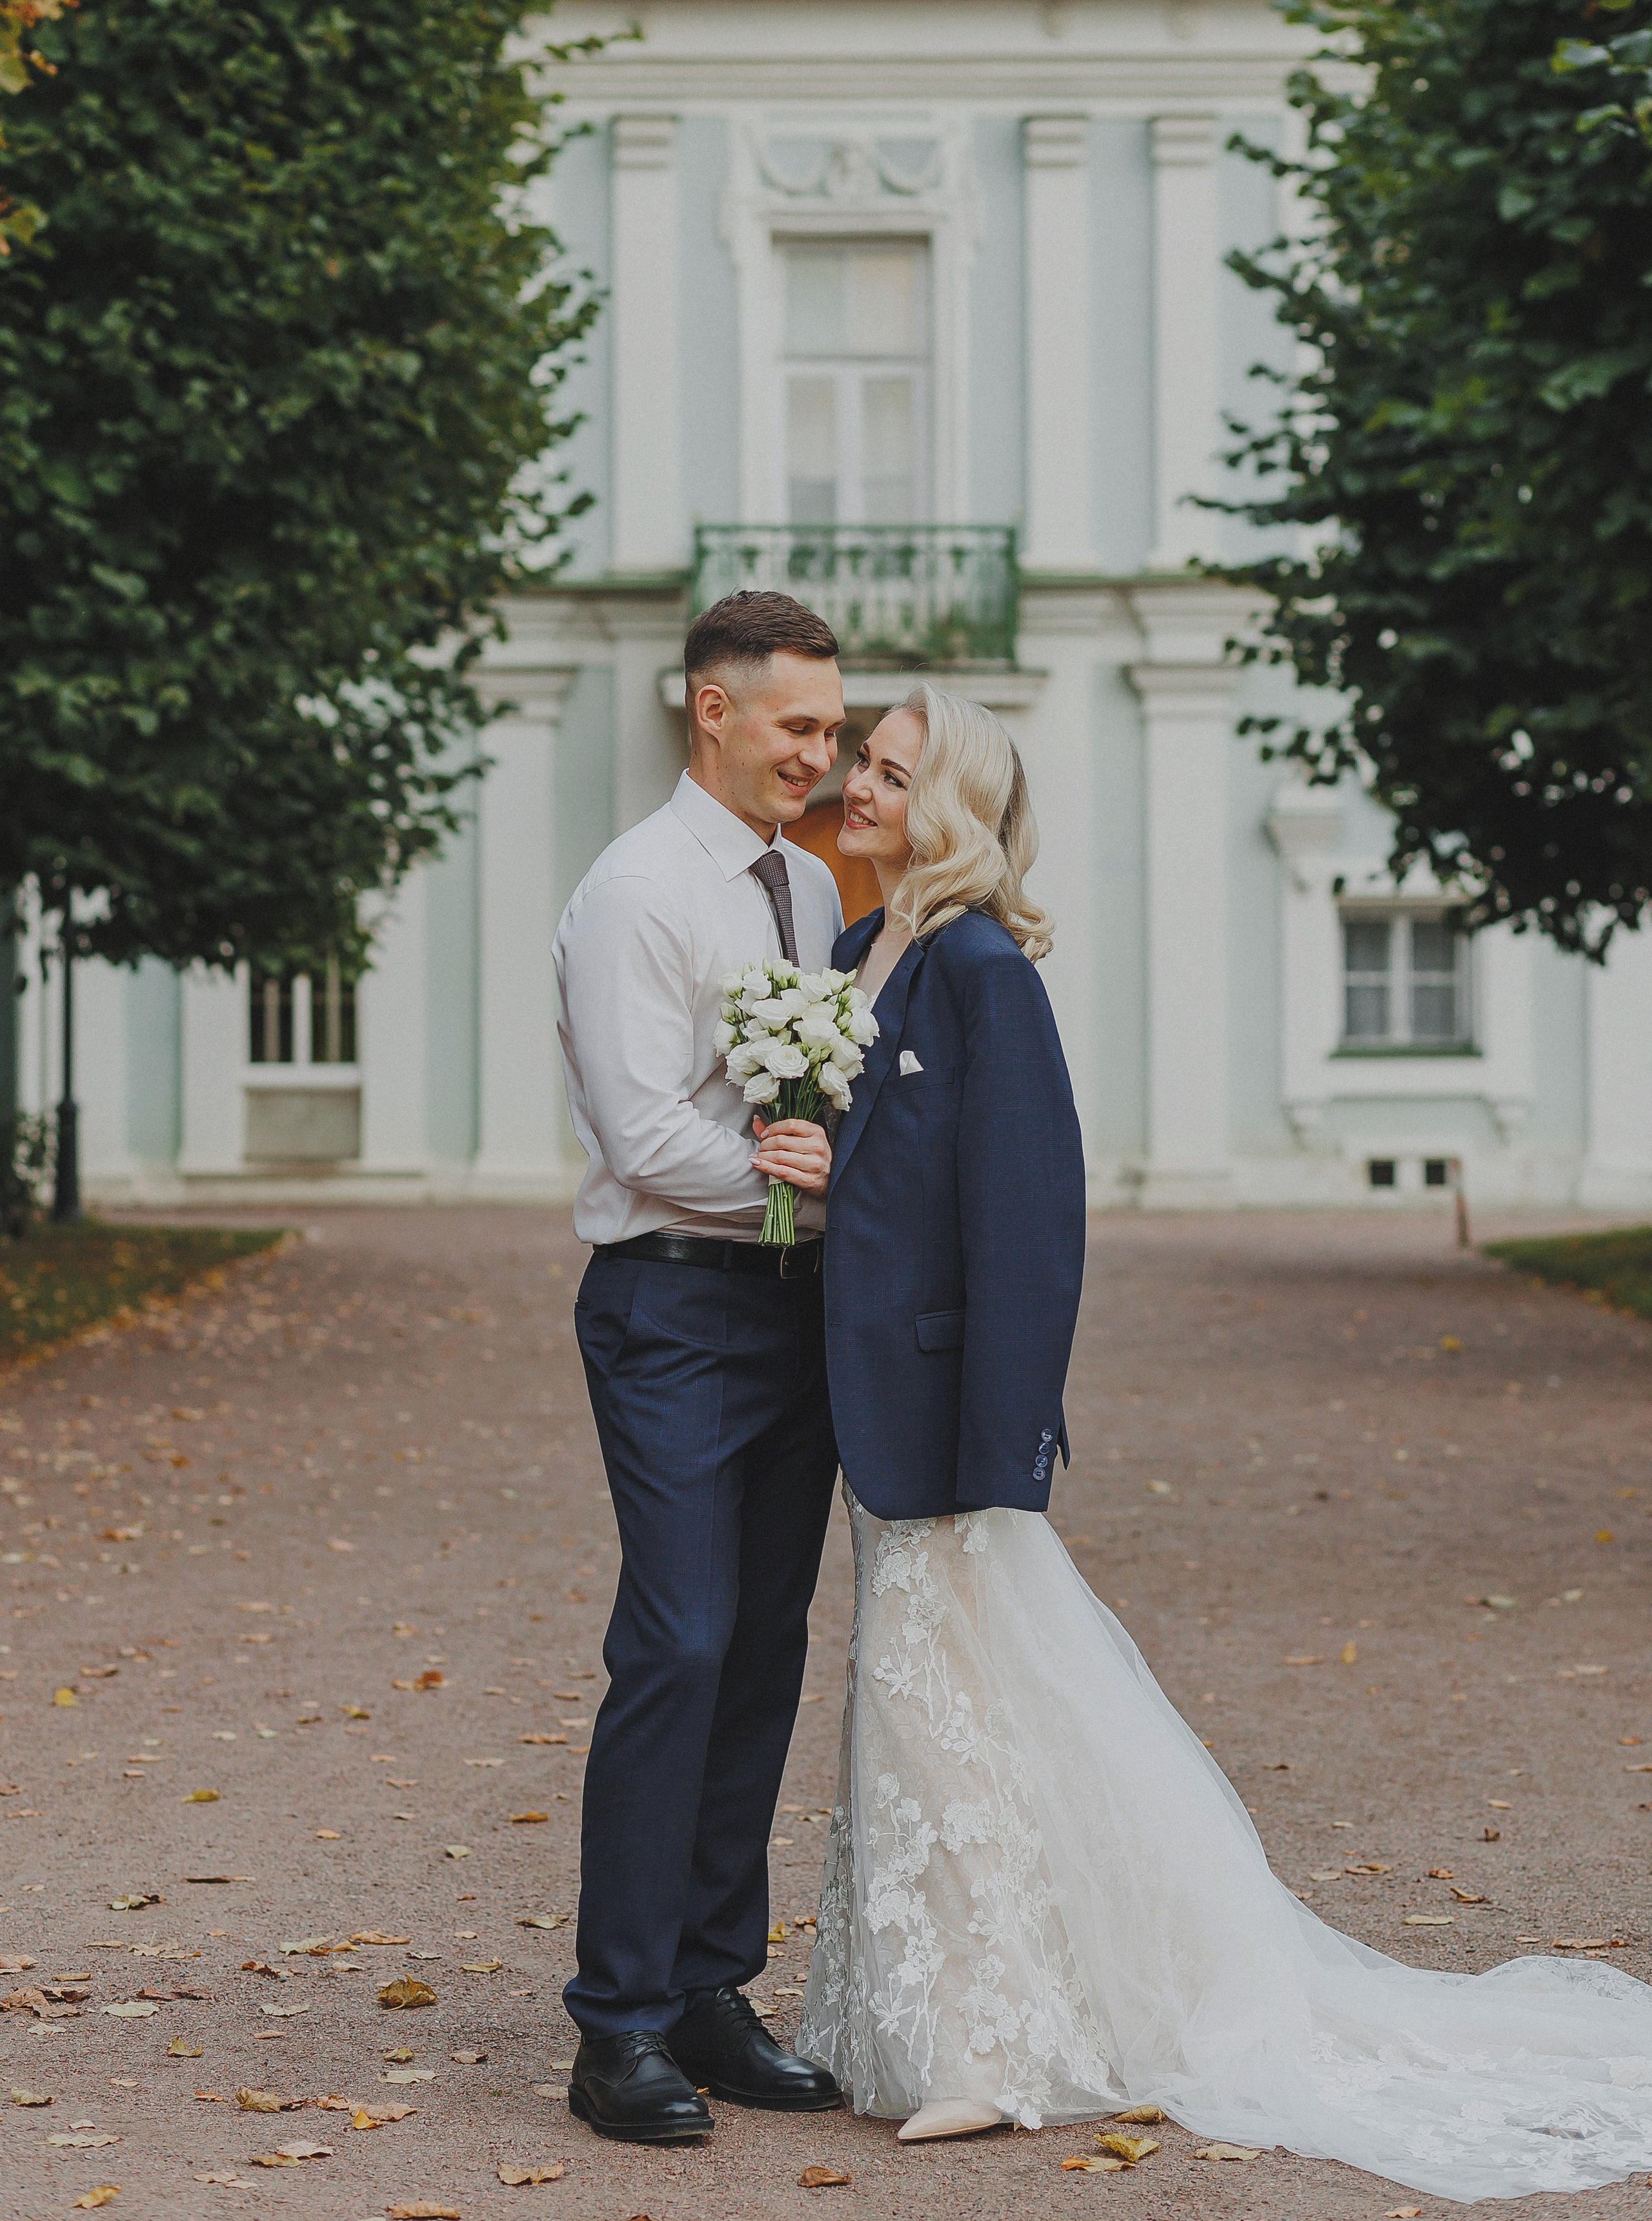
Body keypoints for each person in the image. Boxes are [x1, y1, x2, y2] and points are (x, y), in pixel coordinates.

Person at [796, 687, 1652, 2202]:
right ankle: (919, 2023)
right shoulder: (863, 957)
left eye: (887, 768)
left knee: (961, 1722)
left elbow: (1027, 1225)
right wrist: (805, 1157)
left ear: (954, 807)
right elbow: (873, 1178)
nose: (856, 781)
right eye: (859, 760)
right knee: (919, 1718)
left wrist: (1006, 1446)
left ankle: (989, 2049)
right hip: (872, 1408)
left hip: (942, 1424)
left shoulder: (984, 970)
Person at [552, 589, 849, 2144]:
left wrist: (832, 1186)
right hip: (669, 1305)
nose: (821, 750)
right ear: (711, 710)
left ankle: (707, 1983)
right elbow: (638, 1133)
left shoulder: (804, 880)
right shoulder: (634, 891)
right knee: (675, 1640)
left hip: (794, 1308)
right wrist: (800, 1179)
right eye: (797, 723)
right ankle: (614, 2025)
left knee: (762, 1648)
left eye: (830, 724)